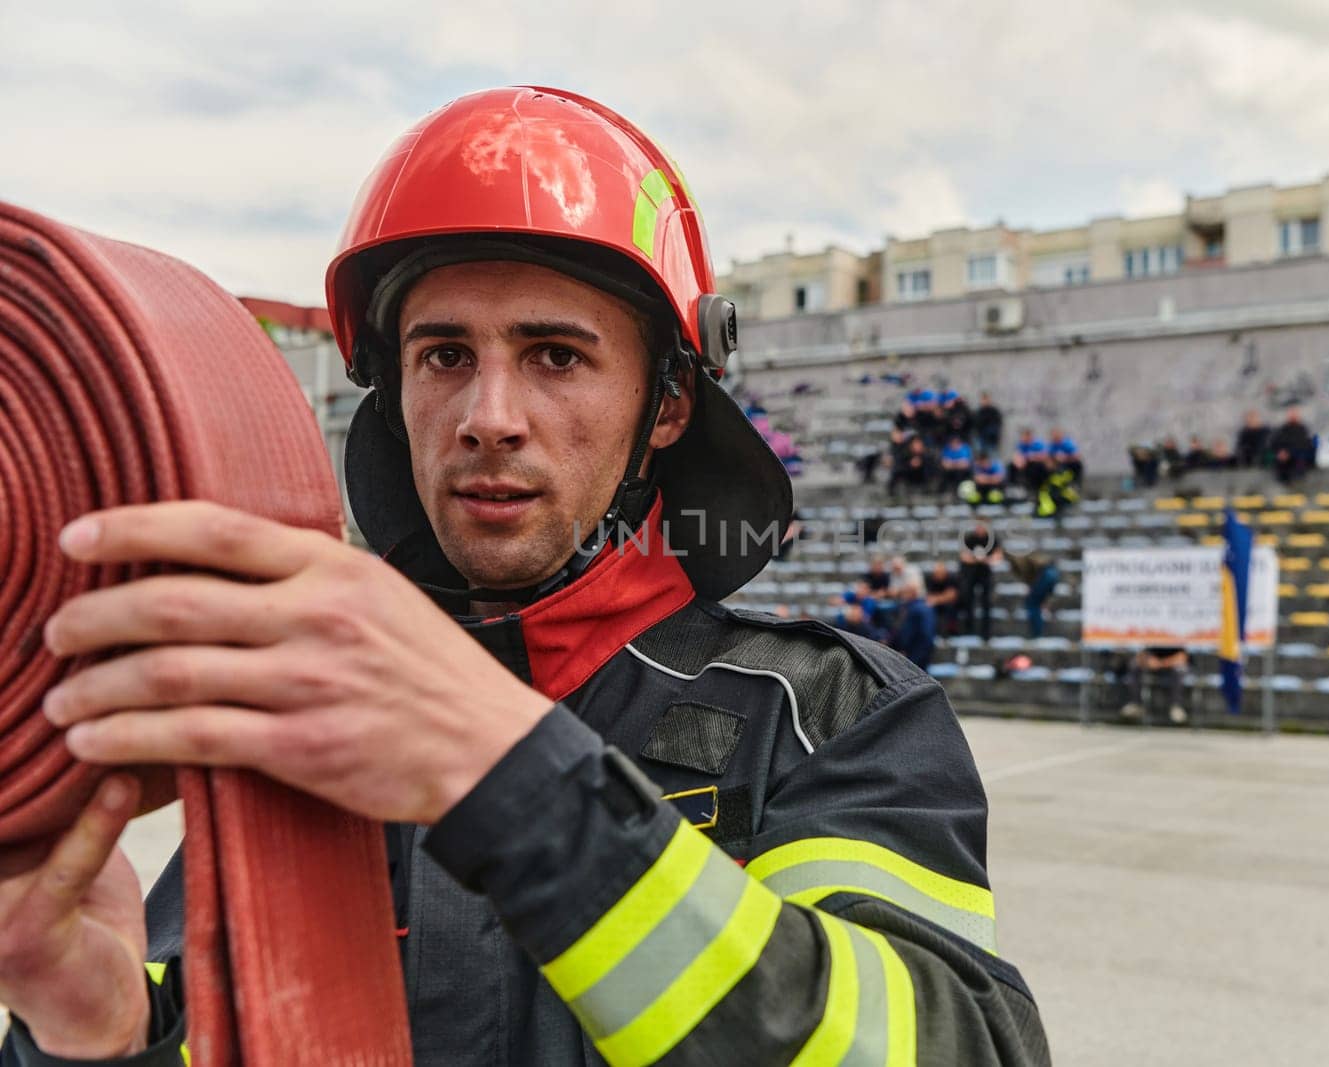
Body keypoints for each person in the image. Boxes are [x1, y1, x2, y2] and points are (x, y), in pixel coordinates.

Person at [0, 87, 1047, 1067]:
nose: (487, 414)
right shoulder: (307, 743)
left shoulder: (830, 712)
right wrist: (99, 1026)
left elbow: (953, 1039)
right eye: (444, 354)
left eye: (554, 355)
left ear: (668, 406)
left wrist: (510, 772)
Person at [958, 521, 1003, 641]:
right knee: (967, 599)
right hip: (970, 573)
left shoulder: (992, 539)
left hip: (985, 574)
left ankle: (986, 632)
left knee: (986, 602)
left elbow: (998, 557)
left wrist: (984, 559)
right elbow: (963, 556)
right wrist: (976, 559)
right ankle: (969, 628)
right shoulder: (970, 538)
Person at [1121, 647, 1190, 724]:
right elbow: (1141, 654)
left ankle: (1176, 707)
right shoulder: (1152, 637)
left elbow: (1182, 657)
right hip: (1152, 668)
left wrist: (1161, 663)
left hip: (1171, 668)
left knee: (1179, 671)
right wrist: (1147, 660)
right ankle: (1135, 704)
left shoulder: (1176, 638)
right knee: (1135, 667)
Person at [1004, 550, 1060, 640]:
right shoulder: (1024, 559)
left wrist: (1031, 586)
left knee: (1032, 604)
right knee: (1036, 602)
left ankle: (1037, 634)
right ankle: (1038, 632)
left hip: (1045, 574)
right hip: (1052, 573)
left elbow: (1031, 573)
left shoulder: (1020, 563)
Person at [889, 571, 937, 671]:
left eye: (906, 591)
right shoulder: (905, 607)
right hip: (907, 656)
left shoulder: (922, 609)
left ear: (913, 592)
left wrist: (913, 658)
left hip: (916, 658)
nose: (903, 594)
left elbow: (926, 636)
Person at [1269, 408, 1314, 484]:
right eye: (1291, 415)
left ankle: (1297, 481)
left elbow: (1305, 444)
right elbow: (1275, 443)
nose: (1293, 417)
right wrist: (1281, 452)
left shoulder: (1302, 430)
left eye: (1294, 415)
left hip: (1298, 456)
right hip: (1284, 457)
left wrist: (1289, 452)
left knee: (1300, 459)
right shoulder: (1282, 430)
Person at [925, 560, 963, 636]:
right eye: (937, 573)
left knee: (950, 607)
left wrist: (937, 599)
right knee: (927, 608)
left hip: (952, 605)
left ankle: (951, 632)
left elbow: (952, 596)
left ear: (945, 572)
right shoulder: (930, 579)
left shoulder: (952, 578)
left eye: (941, 573)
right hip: (936, 605)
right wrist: (943, 597)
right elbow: (928, 598)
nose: (939, 575)